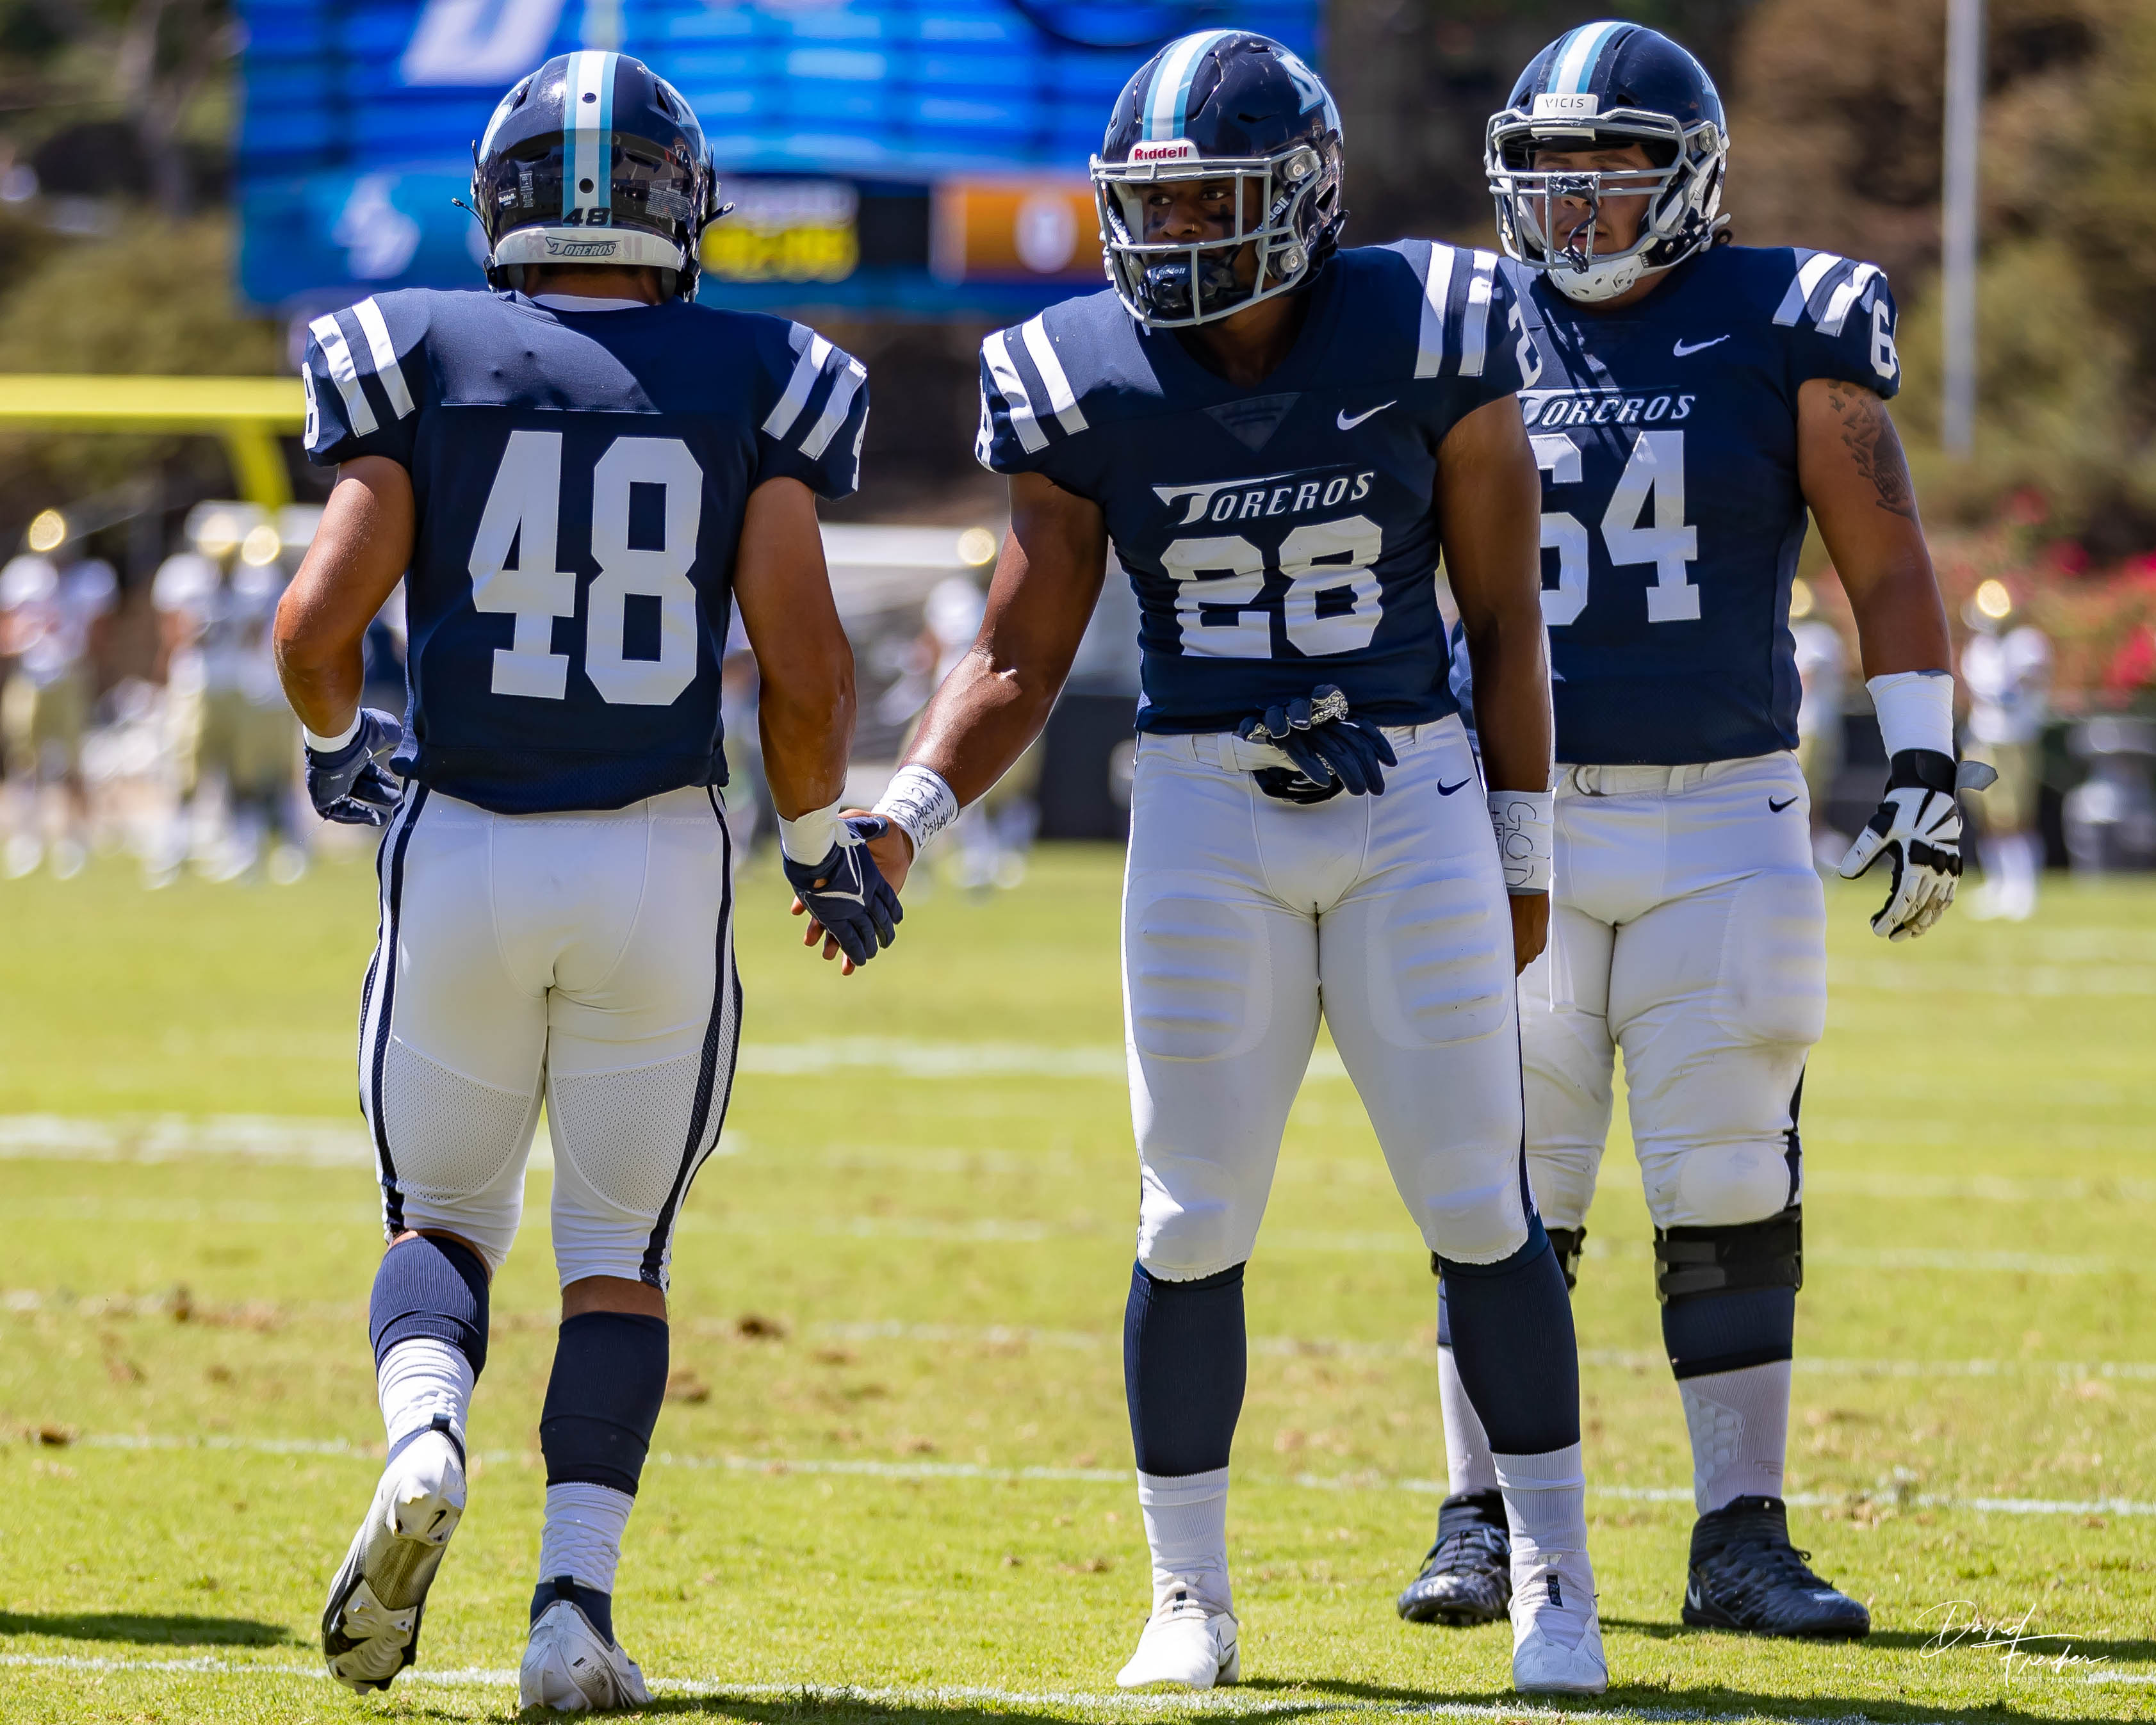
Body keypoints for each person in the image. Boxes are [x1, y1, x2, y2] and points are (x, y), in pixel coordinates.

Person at [850, 31, 1606, 1697]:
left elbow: (1503, 618)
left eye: (1212, 198)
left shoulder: (1430, 319)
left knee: (1477, 1199)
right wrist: (900, 814)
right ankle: (1186, 1594)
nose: (1176, 230)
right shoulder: (1075, 369)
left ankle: (1556, 1578)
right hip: (1201, 805)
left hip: (1407, 792)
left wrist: (1520, 844)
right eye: (1155, 201)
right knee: (1187, 1213)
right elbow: (1016, 653)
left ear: (1305, 195)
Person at [272, 51, 894, 1710]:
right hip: (655, 857)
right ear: (683, 207)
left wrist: (339, 744)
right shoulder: (760, 368)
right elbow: (811, 678)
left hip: (466, 841)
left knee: (441, 1219)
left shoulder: (420, 348)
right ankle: (569, 1607)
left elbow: (314, 632)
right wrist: (822, 849)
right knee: (617, 1248)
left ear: (503, 203)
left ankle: (424, 1437)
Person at [1394, 21, 1982, 1642]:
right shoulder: (1457, 322)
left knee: (1726, 1165)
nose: (1577, 201)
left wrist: (1924, 758)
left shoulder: (1789, 315)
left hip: (1723, 809)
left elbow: (1882, 557)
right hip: (1508, 811)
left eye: (1615, 167)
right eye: (1551, 170)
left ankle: (1739, 1531)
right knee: (1503, 1176)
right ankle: (1481, 1516)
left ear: (1691, 177)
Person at [0, 552, 117, 878]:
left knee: (71, 765)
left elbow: (99, 634)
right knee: (24, 763)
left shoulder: (88, 577)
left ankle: (74, 839)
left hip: (69, 676)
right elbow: (5, 630)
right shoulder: (21, 575)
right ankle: (26, 838)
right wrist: (25, 635)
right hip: (29, 677)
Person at [1961, 580, 2050, 920]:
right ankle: (1999, 882)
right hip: (1983, 737)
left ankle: (2022, 885)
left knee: (2014, 815)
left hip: (2015, 738)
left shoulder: (2026, 643)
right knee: (1986, 813)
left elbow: (2034, 678)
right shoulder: (1979, 648)